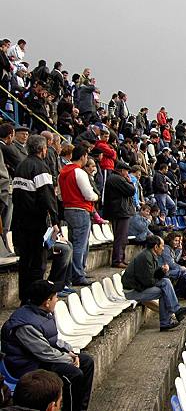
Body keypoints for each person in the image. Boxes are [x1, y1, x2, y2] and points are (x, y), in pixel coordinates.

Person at [0, 280, 95, 411]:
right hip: (25, 365)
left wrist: (69, 350)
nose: (58, 299)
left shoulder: (42, 313)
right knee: (73, 374)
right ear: (47, 301)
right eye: (56, 296)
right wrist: (69, 359)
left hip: (37, 359)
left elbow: (53, 340)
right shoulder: (25, 324)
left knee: (87, 362)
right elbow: (45, 352)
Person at [11, 135, 60, 304]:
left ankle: (24, 297)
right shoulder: (41, 167)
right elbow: (47, 196)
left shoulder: (20, 166)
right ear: (42, 149)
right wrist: (55, 221)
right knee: (37, 264)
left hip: (20, 222)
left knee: (24, 262)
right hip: (35, 223)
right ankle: (34, 300)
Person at [121, 236, 186, 331]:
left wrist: (162, 270)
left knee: (165, 284)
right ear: (156, 247)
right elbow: (148, 281)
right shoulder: (146, 257)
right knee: (164, 287)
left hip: (139, 287)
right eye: (162, 246)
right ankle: (170, 317)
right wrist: (162, 274)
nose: (163, 248)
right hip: (132, 291)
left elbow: (152, 274)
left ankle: (168, 320)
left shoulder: (150, 255)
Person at [58, 145, 98, 286]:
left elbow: (60, 195)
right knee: (80, 244)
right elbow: (88, 194)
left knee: (73, 243)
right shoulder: (79, 172)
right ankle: (78, 274)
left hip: (68, 209)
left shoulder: (62, 172)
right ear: (82, 157)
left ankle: (73, 273)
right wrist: (95, 196)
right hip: (80, 209)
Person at [103, 161, 135, 268]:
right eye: (126, 171)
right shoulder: (117, 179)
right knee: (120, 237)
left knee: (123, 237)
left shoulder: (115, 178)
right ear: (121, 171)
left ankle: (121, 259)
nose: (127, 174)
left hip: (120, 211)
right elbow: (131, 190)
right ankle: (117, 260)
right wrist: (130, 182)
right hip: (119, 211)